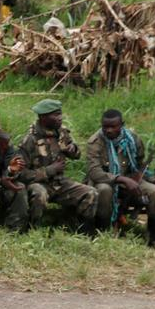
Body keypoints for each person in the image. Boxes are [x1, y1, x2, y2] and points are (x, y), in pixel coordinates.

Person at [16, 99, 97, 233]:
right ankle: (32, 230)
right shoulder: (29, 140)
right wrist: (49, 170)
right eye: (55, 115)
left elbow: (77, 155)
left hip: (59, 183)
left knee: (90, 193)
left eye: (60, 114)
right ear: (43, 117)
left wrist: (72, 149)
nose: (60, 118)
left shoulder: (61, 133)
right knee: (39, 194)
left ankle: (81, 231)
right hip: (38, 183)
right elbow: (21, 174)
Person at [85, 109, 155, 246]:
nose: (108, 130)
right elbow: (94, 172)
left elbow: (140, 165)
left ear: (122, 124)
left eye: (113, 126)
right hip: (104, 181)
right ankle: (102, 234)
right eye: (105, 126)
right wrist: (121, 179)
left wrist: (154, 181)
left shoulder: (132, 139)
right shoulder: (95, 141)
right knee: (104, 190)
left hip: (130, 179)